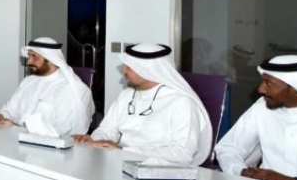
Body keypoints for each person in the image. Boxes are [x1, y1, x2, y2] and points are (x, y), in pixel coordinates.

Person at [73, 44, 212, 166]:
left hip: (162, 173)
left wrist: (125, 151)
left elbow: (183, 153)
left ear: (149, 69)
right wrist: (93, 140)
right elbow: (108, 129)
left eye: (129, 67)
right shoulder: (126, 95)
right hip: (121, 163)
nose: (123, 70)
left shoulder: (181, 102)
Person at [215, 55, 297, 180]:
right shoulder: (262, 108)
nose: (261, 89)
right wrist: (242, 171)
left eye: (269, 83)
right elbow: (228, 148)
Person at [0, 37, 94, 135]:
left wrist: (17, 128)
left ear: (51, 60)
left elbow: (62, 131)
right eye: (29, 56)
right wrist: (0, 115)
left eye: (34, 57)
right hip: (16, 139)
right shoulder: (28, 82)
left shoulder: (67, 90)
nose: (29, 61)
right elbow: (10, 109)